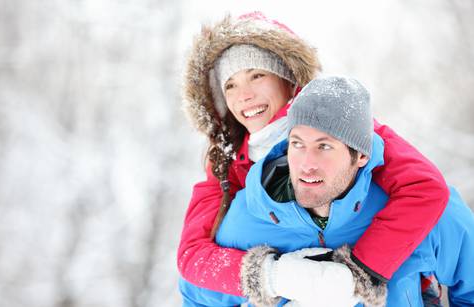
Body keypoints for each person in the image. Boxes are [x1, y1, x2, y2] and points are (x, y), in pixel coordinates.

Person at [178, 11, 448, 303]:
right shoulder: (227, 164)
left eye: (257, 75)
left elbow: (426, 188)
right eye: (230, 84)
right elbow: (192, 256)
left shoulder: (340, 126)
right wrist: (273, 276)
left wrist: (361, 268)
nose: (244, 95)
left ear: (288, 80)